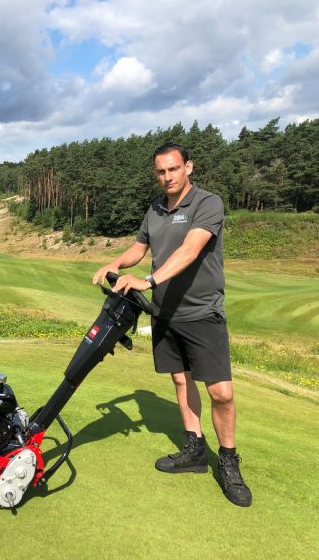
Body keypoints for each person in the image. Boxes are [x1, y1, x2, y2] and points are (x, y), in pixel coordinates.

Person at [92, 142, 252, 507]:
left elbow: (190, 250)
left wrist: (147, 281)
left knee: (221, 393)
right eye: (161, 172)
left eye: (173, 169)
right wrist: (114, 264)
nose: (167, 177)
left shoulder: (208, 204)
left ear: (188, 167)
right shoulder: (155, 208)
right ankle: (194, 448)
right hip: (165, 313)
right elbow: (139, 248)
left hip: (202, 312)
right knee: (181, 380)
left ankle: (228, 460)